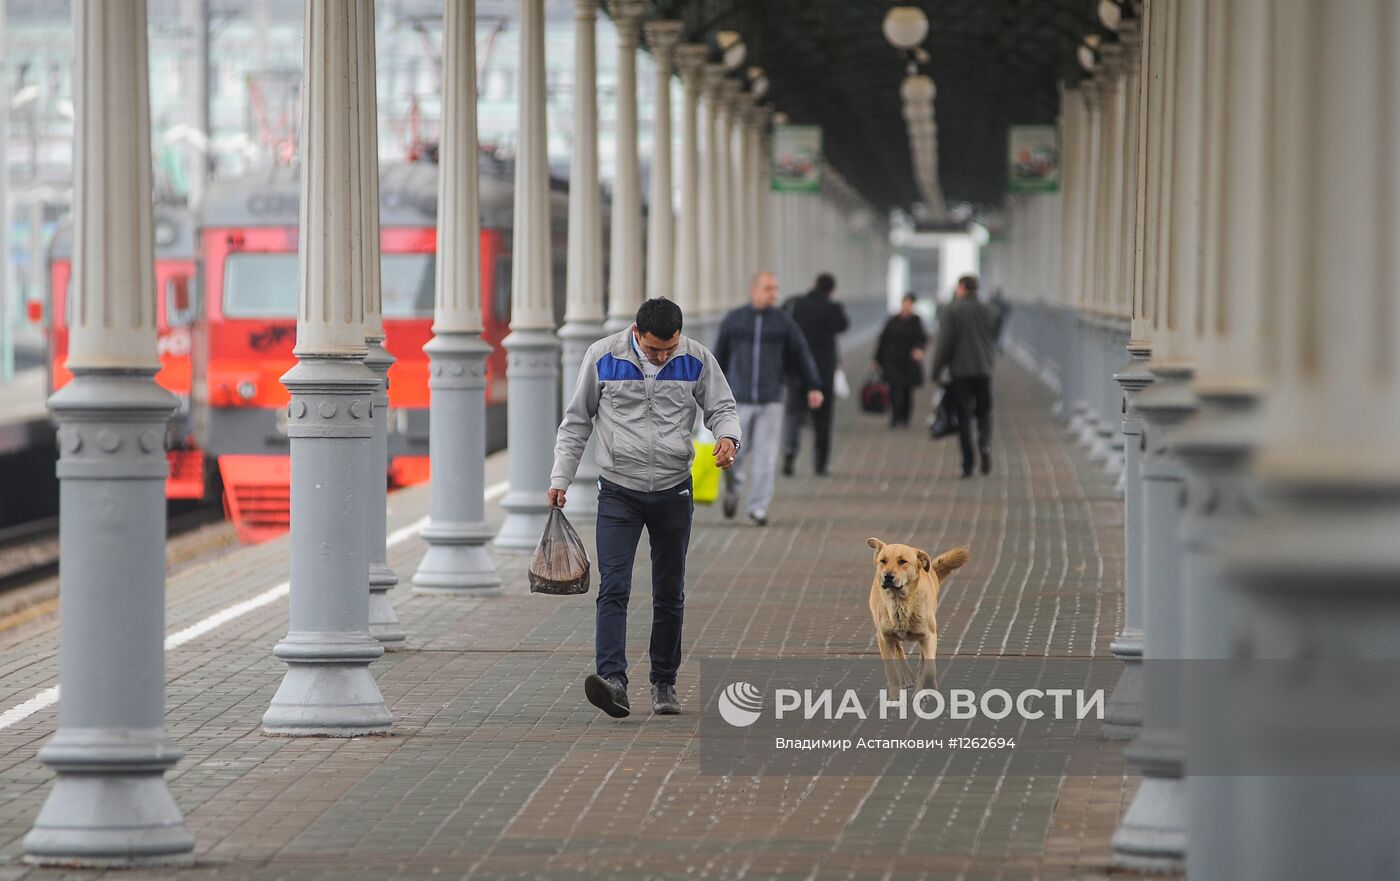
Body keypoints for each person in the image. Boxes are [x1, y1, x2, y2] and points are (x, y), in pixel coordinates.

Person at [550, 298, 742, 719]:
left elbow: (722, 407)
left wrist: (728, 438)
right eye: (655, 349)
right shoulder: (602, 356)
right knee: (613, 586)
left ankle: (664, 682)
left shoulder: (695, 357)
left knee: (669, 590)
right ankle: (613, 681)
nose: (663, 356)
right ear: (637, 332)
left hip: (674, 490)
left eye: (669, 348)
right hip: (619, 490)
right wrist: (560, 478)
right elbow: (577, 420)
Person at [713, 271, 824, 526]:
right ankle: (733, 489)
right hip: (738, 400)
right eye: (768, 289)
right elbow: (717, 357)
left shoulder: (783, 322)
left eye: (775, 289)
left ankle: (757, 508)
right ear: (754, 289)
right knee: (734, 454)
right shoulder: (734, 320)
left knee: (765, 456)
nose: (773, 294)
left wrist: (813, 385)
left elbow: (801, 354)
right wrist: (707, 391)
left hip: (772, 399)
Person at [930, 275, 1004, 478]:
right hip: (984, 369)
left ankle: (968, 463)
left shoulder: (951, 310)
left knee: (963, 415)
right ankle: (986, 445)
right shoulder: (991, 310)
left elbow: (945, 343)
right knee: (985, 411)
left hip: (960, 370)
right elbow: (995, 336)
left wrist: (936, 370)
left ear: (962, 288)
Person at [781, 273, 850, 477]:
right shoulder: (833, 307)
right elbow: (844, 325)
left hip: (797, 369)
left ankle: (789, 454)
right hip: (823, 372)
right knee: (823, 418)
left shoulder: (796, 304)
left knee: (793, 414)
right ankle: (821, 464)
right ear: (831, 290)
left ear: (813, 285)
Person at [873, 292, 929, 428]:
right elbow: (883, 340)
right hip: (892, 360)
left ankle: (905, 418)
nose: (907, 306)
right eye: (906, 303)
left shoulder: (916, 321)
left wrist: (919, 348)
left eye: (910, 304)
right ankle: (895, 418)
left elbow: (922, 338)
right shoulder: (892, 320)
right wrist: (876, 358)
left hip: (909, 361)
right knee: (895, 389)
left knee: (907, 391)